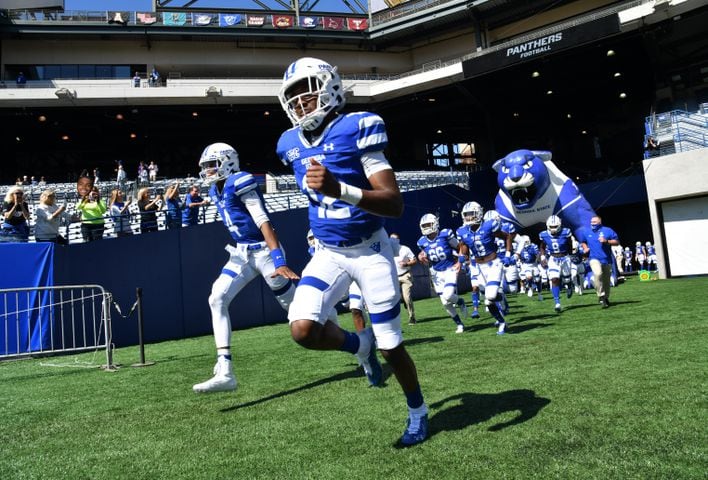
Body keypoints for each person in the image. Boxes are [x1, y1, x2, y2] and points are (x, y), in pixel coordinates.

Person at [276, 57, 429, 446]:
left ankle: (417, 412)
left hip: (371, 250)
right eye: (292, 96)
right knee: (303, 330)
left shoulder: (358, 127)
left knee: (393, 346)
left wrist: (340, 189)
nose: (299, 103)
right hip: (328, 251)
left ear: (329, 86)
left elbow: (394, 204)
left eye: (305, 92)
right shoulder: (288, 144)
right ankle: (360, 346)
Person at [192, 142, 299, 393]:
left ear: (228, 161)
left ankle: (345, 335)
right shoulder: (217, 189)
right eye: (205, 166)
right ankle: (225, 369)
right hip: (241, 253)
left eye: (211, 165)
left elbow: (263, 220)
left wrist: (279, 260)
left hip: (264, 252)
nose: (207, 171)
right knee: (216, 298)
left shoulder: (239, 181)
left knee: (296, 311)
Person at [456, 202, 511, 334]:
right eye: (466, 215)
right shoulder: (462, 231)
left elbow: (507, 236)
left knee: (490, 296)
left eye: (471, 214)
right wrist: (462, 256)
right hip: (479, 267)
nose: (469, 218)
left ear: (479, 213)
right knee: (487, 301)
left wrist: (508, 254)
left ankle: (501, 298)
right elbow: (464, 246)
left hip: (494, 263)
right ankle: (502, 323)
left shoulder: (488, 225)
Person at [416, 214, 467, 333]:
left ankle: (460, 302)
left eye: (428, 225)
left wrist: (460, 261)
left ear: (435, 223)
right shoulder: (422, 241)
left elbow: (460, 246)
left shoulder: (445, 234)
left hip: (449, 268)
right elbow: (425, 254)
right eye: (424, 226)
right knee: (445, 303)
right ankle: (459, 324)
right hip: (436, 273)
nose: (427, 228)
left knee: (449, 295)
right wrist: (421, 256)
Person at [578, 216, 620, 309]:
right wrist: (585, 248)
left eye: (594, 222)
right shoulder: (586, 231)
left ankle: (605, 298)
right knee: (597, 274)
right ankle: (601, 295)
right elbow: (583, 241)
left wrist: (607, 241)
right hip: (593, 258)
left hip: (606, 259)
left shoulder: (608, 230)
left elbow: (617, 242)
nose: (592, 223)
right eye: (591, 222)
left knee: (606, 281)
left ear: (600, 222)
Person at [538, 215, 575, 313]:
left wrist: (571, 255)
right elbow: (542, 246)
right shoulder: (544, 234)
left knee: (566, 279)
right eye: (551, 226)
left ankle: (569, 285)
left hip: (565, 257)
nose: (553, 229)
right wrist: (542, 257)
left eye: (555, 226)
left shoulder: (566, 232)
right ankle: (557, 302)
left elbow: (569, 244)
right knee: (554, 279)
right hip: (553, 258)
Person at [389, 233, 417, 325]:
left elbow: (414, 260)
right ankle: (393, 320)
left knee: (407, 297)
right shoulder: (387, 250)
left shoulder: (405, 249)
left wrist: (407, 264)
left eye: (395, 239)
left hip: (405, 275)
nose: (392, 241)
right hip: (393, 276)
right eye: (391, 239)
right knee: (394, 298)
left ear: (398, 240)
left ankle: (412, 317)